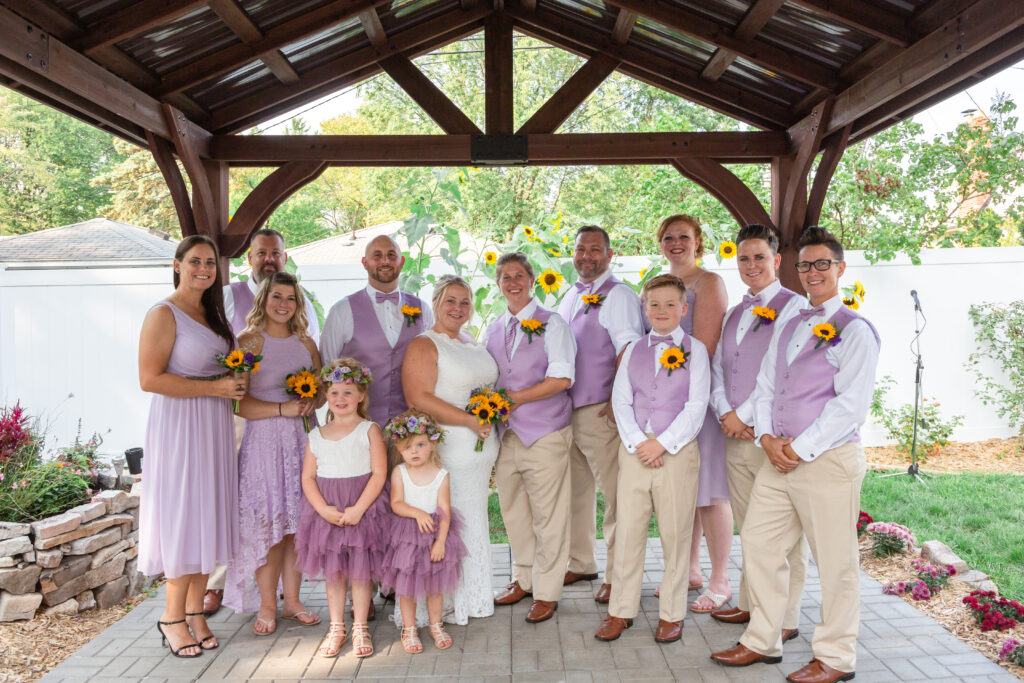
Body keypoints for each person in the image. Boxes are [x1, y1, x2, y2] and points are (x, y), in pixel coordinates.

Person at [711, 227, 879, 683]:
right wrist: (767, 440)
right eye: (806, 264)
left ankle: (835, 657)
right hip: (776, 457)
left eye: (823, 263)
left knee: (835, 562)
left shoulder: (856, 331)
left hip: (826, 462)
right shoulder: (789, 321)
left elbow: (850, 407)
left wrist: (798, 449)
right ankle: (762, 640)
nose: (813, 272)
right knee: (762, 547)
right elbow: (767, 385)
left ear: (840, 268)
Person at [138, 235, 243, 658]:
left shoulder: (213, 314)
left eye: (211, 263)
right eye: (196, 261)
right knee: (184, 518)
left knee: (208, 517)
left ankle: (196, 613)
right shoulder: (163, 314)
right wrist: (217, 385)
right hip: (181, 429)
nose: (204, 269)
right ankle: (171, 617)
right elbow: (150, 379)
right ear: (177, 264)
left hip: (214, 426)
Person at [207, 228, 319, 616]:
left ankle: (294, 600)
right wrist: (282, 409)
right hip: (262, 443)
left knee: (297, 528)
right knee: (268, 525)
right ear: (264, 299)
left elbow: (319, 391)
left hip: (300, 444)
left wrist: (310, 399)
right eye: (276, 296)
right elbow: (240, 405)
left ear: (298, 303)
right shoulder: (248, 342)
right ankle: (268, 605)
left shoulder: (306, 343)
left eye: (290, 298)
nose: (283, 304)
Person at [594, 274, 709, 644]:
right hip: (634, 451)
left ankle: (672, 613)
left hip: (676, 451)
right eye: (654, 304)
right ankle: (620, 611)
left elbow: (696, 406)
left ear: (683, 308)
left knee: (675, 533)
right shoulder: (633, 350)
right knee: (628, 532)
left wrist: (663, 444)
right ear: (644, 309)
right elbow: (621, 400)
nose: (662, 310)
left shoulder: (698, 351)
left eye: (670, 304)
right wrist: (636, 442)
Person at [708, 224, 808, 642]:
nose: (751, 265)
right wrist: (724, 411)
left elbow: (780, 371)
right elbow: (718, 368)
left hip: (767, 437)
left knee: (782, 534)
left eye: (759, 257)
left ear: (777, 261)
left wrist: (745, 416)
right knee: (749, 527)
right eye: (744, 258)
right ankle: (751, 603)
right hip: (734, 436)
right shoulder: (734, 312)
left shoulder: (795, 307)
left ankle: (785, 618)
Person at [401, 275, 499, 625]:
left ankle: (472, 597)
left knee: (473, 521)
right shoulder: (425, 345)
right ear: (437, 303)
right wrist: (470, 421)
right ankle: (442, 606)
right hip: (450, 450)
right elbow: (419, 398)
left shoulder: (471, 341)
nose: (458, 308)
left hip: (479, 452)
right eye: (450, 301)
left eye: (465, 302)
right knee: (450, 522)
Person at [485, 252, 577, 624]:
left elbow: (562, 379)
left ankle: (548, 590)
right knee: (514, 512)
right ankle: (523, 577)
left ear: (533, 279)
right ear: (498, 284)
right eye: (505, 277)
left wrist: (514, 399)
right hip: (507, 437)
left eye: (520, 275)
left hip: (545, 432)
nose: (513, 282)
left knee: (549, 516)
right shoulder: (492, 328)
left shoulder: (552, 324)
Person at [557, 226, 644, 603]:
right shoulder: (570, 295)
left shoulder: (619, 295)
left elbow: (630, 347)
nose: (586, 256)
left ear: (610, 255)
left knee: (615, 493)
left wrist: (616, 400)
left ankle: (617, 573)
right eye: (581, 249)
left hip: (601, 410)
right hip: (567, 410)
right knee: (576, 492)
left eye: (595, 250)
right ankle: (581, 560)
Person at [658, 214, 734, 613]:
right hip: (664, 405)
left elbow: (703, 345)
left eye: (683, 237)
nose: (676, 243)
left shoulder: (709, 283)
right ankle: (688, 570)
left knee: (709, 492)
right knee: (681, 491)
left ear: (698, 241)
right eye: (668, 237)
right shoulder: (656, 285)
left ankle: (720, 578)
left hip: (698, 401)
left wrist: (669, 385)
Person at [294, 358, 389, 659]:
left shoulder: (369, 430)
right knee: (335, 574)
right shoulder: (315, 436)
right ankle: (337, 626)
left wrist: (360, 509)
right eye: (333, 393)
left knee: (361, 573)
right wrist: (322, 509)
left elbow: (379, 473)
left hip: (362, 507)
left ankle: (360, 625)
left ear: (361, 395)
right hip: (329, 511)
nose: (340, 399)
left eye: (348, 392)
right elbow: (308, 477)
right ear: (325, 396)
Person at [320, 235, 433, 428]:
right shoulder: (342, 310)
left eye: (391, 255)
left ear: (402, 261)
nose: (385, 261)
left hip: (410, 429)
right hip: (357, 426)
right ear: (365, 263)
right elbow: (327, 369)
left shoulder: (423, 309)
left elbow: (433, 364)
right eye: (377, 255)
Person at [380, 409, 467, 654]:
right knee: (407, 588)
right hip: (407, 536)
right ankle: (409, 629)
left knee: (434, 586)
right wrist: (417, 513)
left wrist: (440, 542)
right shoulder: (400, 473)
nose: (414, 451)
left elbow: (445, 511)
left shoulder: (441, 475)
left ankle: (436, 625)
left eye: (420, 444)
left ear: (432, 444)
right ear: (399, 449)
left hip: (435, 535)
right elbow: (396, 503)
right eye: (407, 447)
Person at [223, 228, 320, 342]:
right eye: (261, 253)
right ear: (250, 258)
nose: (269, 259)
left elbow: (312, 349)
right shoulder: (227, 296)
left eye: (276, 253)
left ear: (284, 259)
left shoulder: (302, 303)